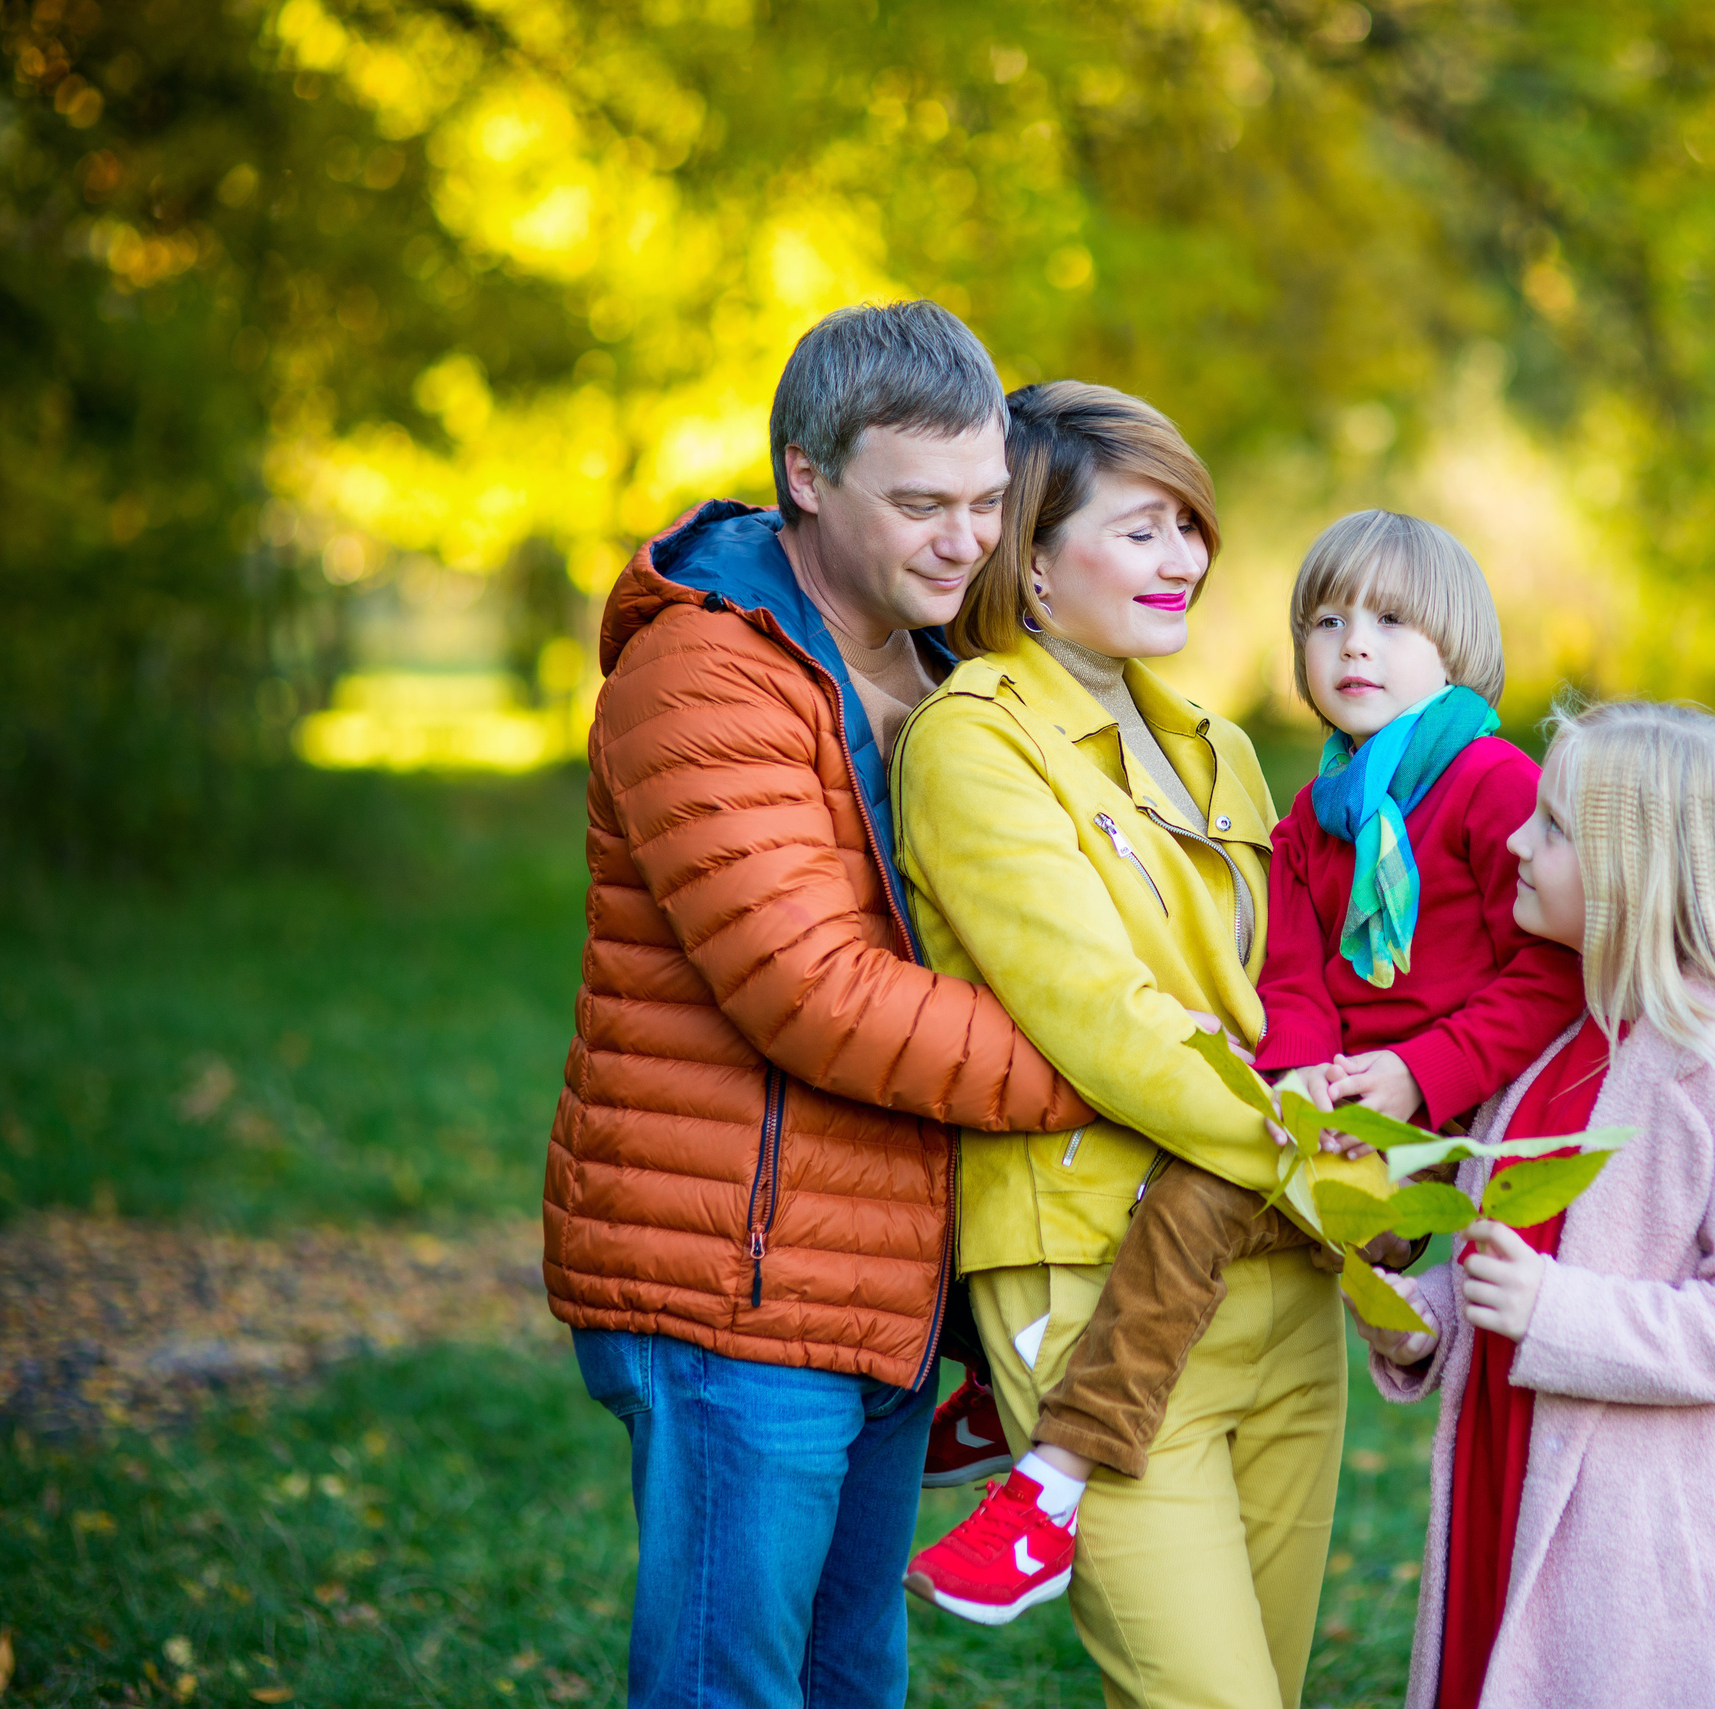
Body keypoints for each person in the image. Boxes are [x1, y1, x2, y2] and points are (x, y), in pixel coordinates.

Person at [543, 301, 1092, 1709]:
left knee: (855, 1680)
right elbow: (817, 994)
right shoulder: (705, 670)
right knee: (729, 1687)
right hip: (734, 1272)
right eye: (919, 504)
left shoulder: (955, 674)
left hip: (884, 1277)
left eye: (983, 501)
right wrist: (1108, 1069)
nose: (964, 539)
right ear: (806, 473)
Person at [905, 507, 1585, 1618]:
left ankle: (1048, 1463)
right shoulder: (1316, 815)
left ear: (1455, 649)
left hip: (1450, 1132)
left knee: (1199, 1195)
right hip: (1339, 1114)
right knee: (1193, 1199)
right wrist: (1298, 1075)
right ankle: (1044, 1457)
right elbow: (1295, 977)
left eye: (1390, 621)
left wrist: (1419, 1071)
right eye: (1326, 619)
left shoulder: (1495, 784)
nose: (1352, 644)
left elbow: (1549, 974)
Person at [888, 381, 1342, 1709]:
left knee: (1277, 1683)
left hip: (1280, 1277)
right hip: (1094, 1281)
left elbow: (1289, 991)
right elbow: (1101, 1019)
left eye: (1190, 527)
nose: (1186, 558)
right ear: (1029, 560)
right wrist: (1314, 1149)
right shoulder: (975, 741)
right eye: (1143, 530)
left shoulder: (1223, 749)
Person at [1355, 699, 1715, 1709]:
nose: (1513, 841)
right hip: (1510, 1485)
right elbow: (1518, 1256)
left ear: (1640, 872)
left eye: (1551, 827)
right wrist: (1431, 1319)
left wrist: (1556, 1312)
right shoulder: (1554, 1042)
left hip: (1641, 1559)